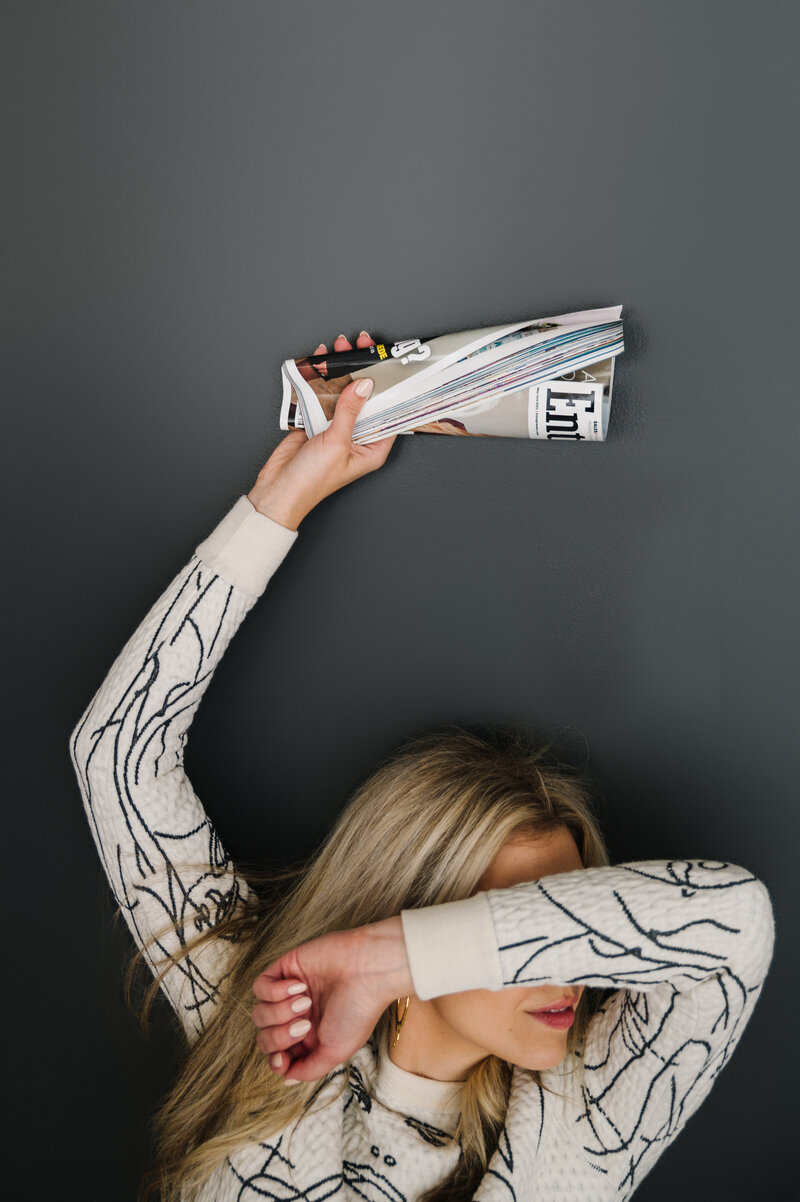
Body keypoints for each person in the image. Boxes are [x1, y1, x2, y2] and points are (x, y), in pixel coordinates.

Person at [69, 331, 775, 1202]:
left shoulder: (581, 1123)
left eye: (565, 914)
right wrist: (277, 502)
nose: (569, 968)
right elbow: (116, 755)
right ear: (408, 900)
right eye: (526, 919)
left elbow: (734, 923)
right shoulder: (264, 1015)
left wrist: (382, 967)